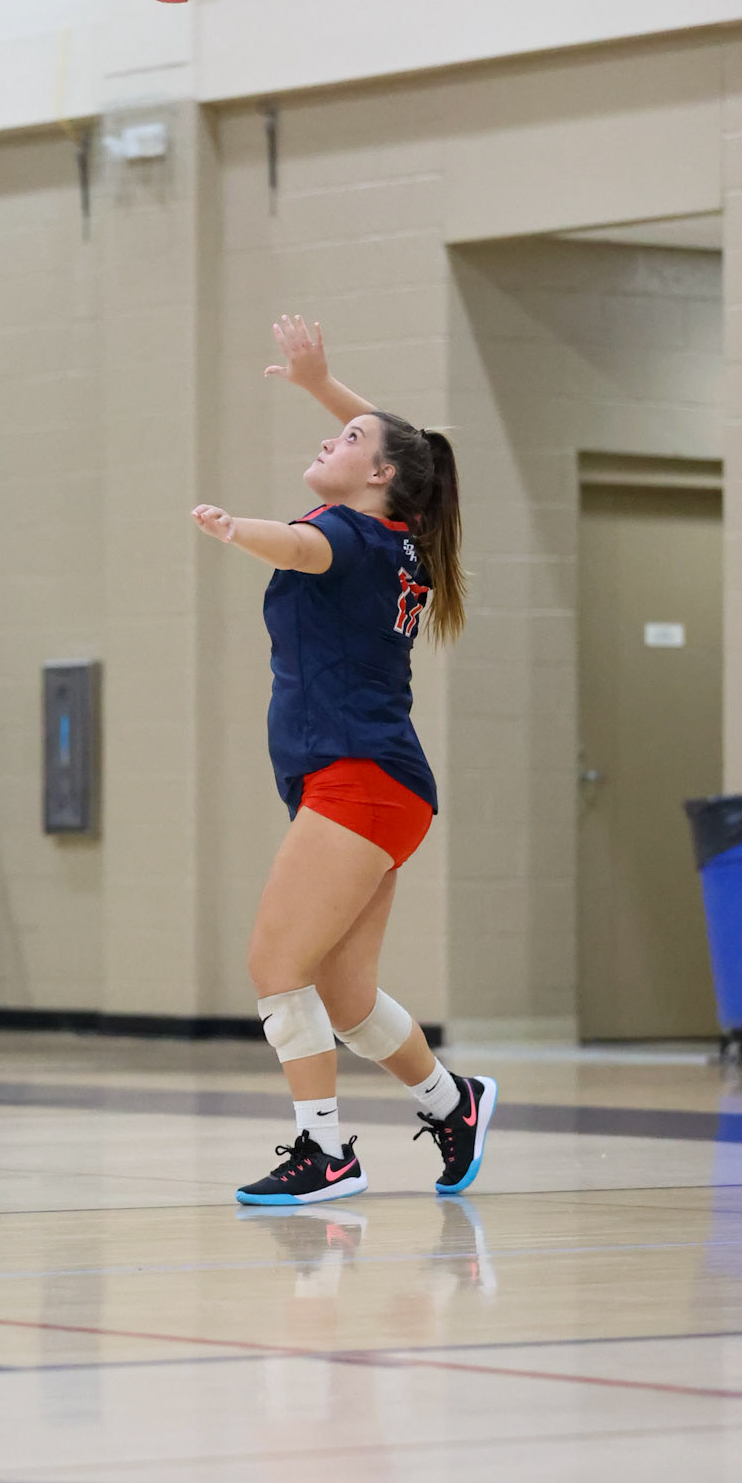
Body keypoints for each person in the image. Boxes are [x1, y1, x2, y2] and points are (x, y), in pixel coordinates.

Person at [192, 316, 497, 1207]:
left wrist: (231, 527)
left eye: (347, 438)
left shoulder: (352, 539)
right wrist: (322, 384)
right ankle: (452, 1104)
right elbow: (408, 449)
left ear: (376, 478)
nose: (334, 436)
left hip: (359, 779)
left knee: (273, 965)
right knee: (348, 995)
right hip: (380, 782)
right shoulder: (402, 538)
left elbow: (297, 544)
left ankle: (323, 1151)